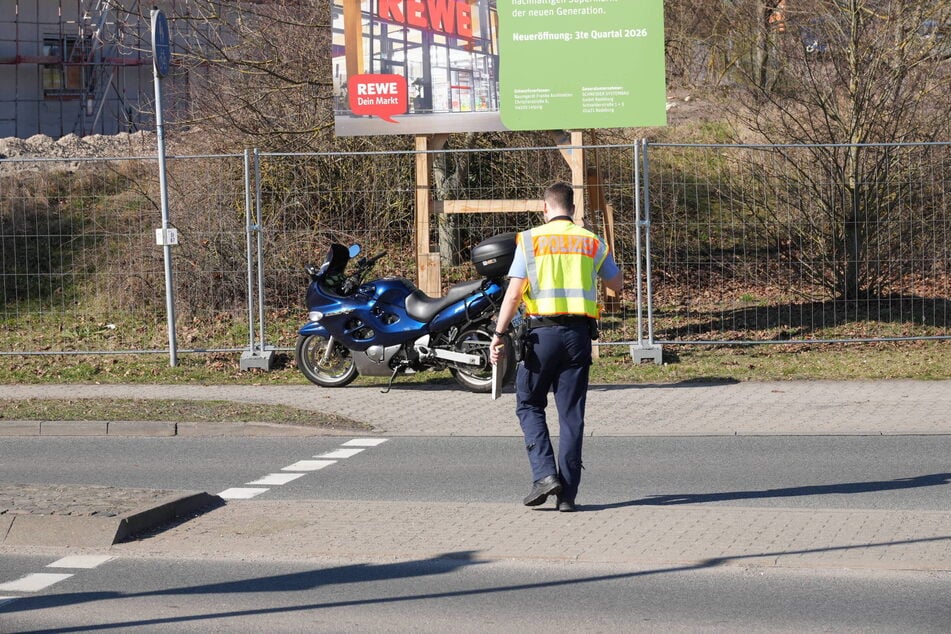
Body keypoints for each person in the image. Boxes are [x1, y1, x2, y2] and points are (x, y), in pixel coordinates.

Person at [489, 181, 623, 512]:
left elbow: (514, 293)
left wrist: (499, 333)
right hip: (578, 338)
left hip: (540, 337)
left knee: (530, 403)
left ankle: (545, 474)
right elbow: (617, 286)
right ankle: (568, 496)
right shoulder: (592, 241)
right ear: (573, 209)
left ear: (544, 208)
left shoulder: (531, 240)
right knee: (571, 415)